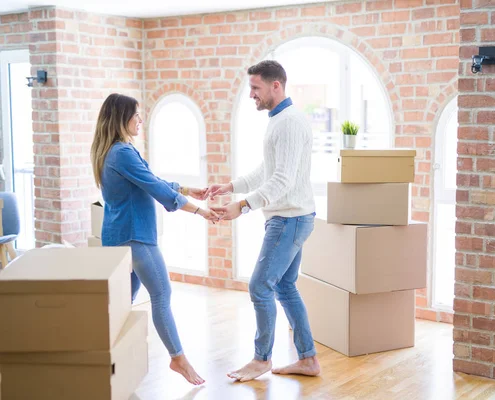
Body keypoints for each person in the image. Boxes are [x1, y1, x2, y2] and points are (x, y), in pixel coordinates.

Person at [90, 93, 219, 385]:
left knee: (123, 303)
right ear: (122, 118)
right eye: (136, 115)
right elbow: (158, 190)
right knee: (162, 296)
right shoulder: (122, 152)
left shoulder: (111, 151)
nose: (140, 120)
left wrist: (188, 188)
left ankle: (99, 359)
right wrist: (201, 211)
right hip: (136, 237)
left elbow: (150, 179)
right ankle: (178, 358)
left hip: (117, 236)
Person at [205, 60, 321, 382]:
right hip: (292, 217)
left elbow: (281, 180)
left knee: (260, 285)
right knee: (284, 286)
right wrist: (231, 187)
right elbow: (267, 171)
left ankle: (261, 359)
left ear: (276, 86)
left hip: (288, 219)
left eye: (255, 88)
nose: (251, 95)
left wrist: (240, 207)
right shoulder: (280, 120)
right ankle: (308, 359)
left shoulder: (288, 123)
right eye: (250, 88)